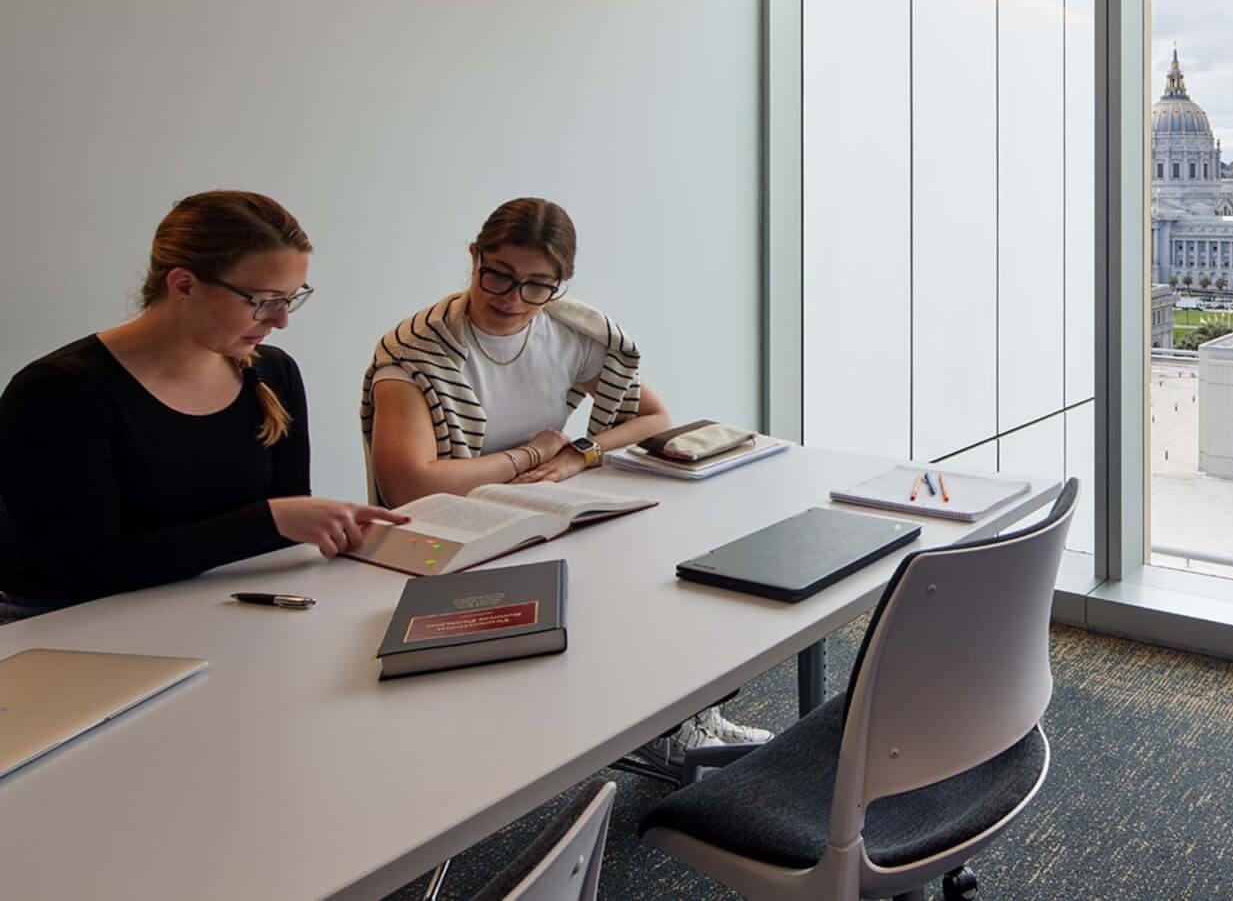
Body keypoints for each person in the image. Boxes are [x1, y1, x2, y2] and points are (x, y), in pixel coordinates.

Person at [361, 197, 768, 754]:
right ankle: (655, 727)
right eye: (498, 276)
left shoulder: (569, 332)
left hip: (536, 513)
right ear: (475, 257)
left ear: (560, 284)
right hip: (452, 534)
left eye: (537, 285)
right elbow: (410, 484)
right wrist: (529, 456)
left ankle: (677, 717)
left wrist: (582, 453)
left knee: (667, 565)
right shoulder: (415, 350)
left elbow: (654, 417)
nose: (513, 299)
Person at [0, 191, 407, 621]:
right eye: (264, 300)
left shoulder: (272, 372)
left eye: (290, 298)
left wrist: (316, 527)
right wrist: (267, 521)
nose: (281, 319)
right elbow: (76, 568)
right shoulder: (58, 393)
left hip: (216, 608)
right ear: (184, 285)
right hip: (70, 625)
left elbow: (280, 527)